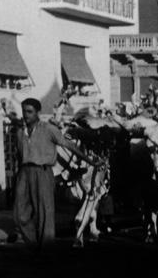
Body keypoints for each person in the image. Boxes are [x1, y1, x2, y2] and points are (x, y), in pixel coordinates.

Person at [13, 98, 101, 250]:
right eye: (24, 111)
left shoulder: (49, 129)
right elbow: (18, 155)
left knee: (45, 213)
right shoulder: (20, 133)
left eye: (29, 112)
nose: (26, 115)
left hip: (43, 172)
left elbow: (69, 145)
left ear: (37, 113)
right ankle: (34, 244)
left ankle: (45, 249)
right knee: (19, 214)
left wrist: (90, 161)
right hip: (24, 173)